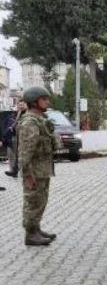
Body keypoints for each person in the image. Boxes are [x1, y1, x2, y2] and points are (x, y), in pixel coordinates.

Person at [18, 87, 56, 246]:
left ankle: (36, 228)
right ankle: (30, 234)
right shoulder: (30, 122)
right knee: (33, 201)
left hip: (42, 169)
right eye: (44, 99)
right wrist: (27, 174)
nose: (48, 101)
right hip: (34, 171)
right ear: (34, 101)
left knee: (40, 200)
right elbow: (26, 151)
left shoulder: (40, 119)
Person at [4, 100, 27, 178]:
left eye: (22, 105)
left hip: (24, 138)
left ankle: (20, 171)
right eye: (19, 105)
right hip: (14, 137)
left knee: (22, 156)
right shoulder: (14, 115)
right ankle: (14, 170)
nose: (21, 106)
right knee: (12, 155)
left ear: (26, 105)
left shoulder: (27, 114)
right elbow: (10, 124)